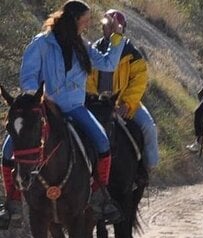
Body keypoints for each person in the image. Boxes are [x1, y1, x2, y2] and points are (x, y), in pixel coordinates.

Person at [1, 0, 126, 224]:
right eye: (85, 20)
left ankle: (99, 196)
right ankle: (13, 201)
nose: (87, 25)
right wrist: (36, 99)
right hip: (45, 108)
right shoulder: (41, 43)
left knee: (102, 142)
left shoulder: (82, 44)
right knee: (8, 149)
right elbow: (28, 76)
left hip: (75, 108)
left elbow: (107, 64)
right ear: (74, 20)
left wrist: (116, 38)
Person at [86, 9, 159, 179]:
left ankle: (148, 168)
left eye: (114, 26)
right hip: (98, 104)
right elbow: (87, 78)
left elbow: (139, 81)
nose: (109, 30)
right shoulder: (94, 50)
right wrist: (94, 100)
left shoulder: (132, 53)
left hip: (124, 104)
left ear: (122, 28)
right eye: (106, 26)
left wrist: (126, 104)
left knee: (148, 126)